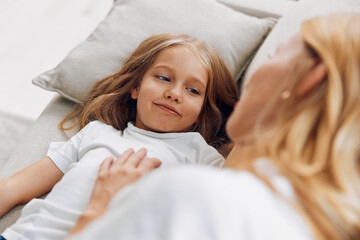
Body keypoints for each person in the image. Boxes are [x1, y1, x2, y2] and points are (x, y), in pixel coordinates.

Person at [66, 13, 360, 240]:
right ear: (135, 87)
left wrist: (98, 208)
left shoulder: (196, 197)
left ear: (311, 80)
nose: (254, 79)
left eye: (274, 55)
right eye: (164, 79)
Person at [0, 33, 238, 240]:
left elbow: (235, 195)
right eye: (164, 78)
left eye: (193, 90)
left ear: (200, 113)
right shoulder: (97, 132)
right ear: (136, 88)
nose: (174, 94)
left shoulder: (200, 156)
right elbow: (13, 188)